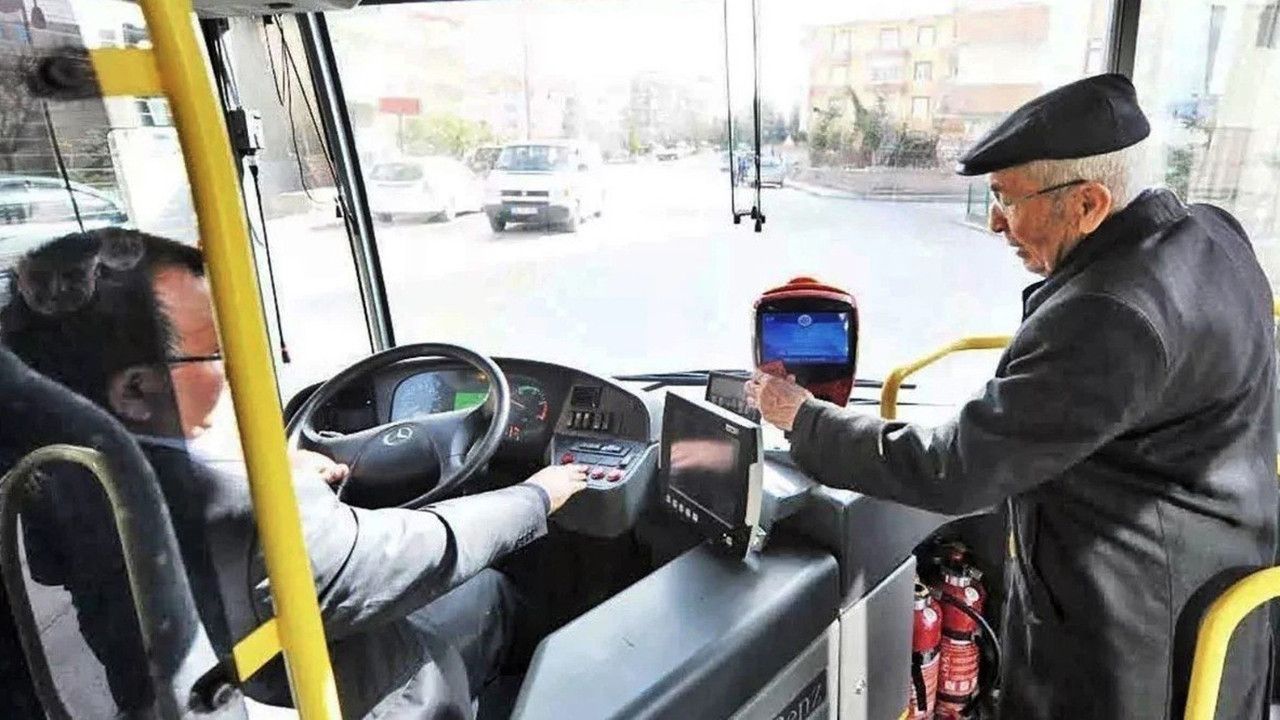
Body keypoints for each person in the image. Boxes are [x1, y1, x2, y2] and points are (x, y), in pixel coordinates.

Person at [746, 73, 1278, 719]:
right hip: (1215, 593)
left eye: (1007, 198)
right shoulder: (1212, 233)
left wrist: (805, 420)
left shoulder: (1109, 316)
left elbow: (957, 467)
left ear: (1088, 203)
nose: (995, 221)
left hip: (1132, 649)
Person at [0, 228, 588, 718]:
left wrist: (272, 471)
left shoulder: (50, 469)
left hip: (176, 687)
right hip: (325, 697)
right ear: (134, 389)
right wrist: (536, 495)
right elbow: (411, 554)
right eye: (217, 351)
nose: (235, 370)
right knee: (489, 590)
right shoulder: (246, 506)